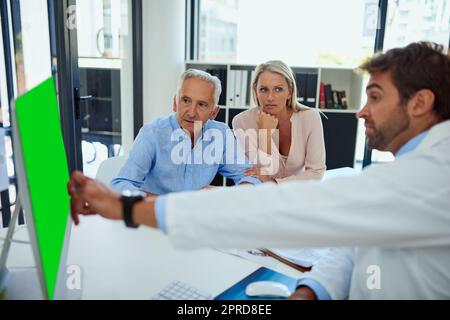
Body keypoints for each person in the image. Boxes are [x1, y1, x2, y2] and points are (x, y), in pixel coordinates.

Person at [68, 42, 450, 299]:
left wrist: (130, 208)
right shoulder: (162, 131)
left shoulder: (432, 176)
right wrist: (311, 289)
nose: (361, 111)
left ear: (419, 103)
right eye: (185, 101)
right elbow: (354, 243)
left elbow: (271, 198)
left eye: (375, 97)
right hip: (151, 245)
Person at [110, 69, 260, 195]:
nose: (192, 112)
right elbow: (120, 186)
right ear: (175, 103)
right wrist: (171, 203)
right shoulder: (152, 133)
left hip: (196, 220)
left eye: (201, 104)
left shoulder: (221, 134)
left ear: (213, 112)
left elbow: (251, 177)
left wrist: (220, 195)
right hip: (155, 217)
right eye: (186, 101)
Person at [232, 60, 326, 183]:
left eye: (278, 89)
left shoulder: (310, 117)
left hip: (297, 193)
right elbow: (259, 173)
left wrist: (274, 183)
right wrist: (265, 132)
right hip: (261, 194)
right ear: (256, 90)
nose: (270, 97)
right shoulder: (241, 122)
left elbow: (316, 172)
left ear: (290, 92)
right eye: (264, 89)